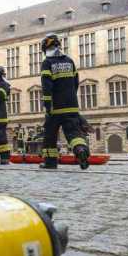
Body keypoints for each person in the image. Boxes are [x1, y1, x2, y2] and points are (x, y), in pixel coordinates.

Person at [40, 33, 90, 170]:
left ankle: (50, 162)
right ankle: (80, 150)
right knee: (74, 133)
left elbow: (47, 87)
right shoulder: (69, 61)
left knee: (50, 134)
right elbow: (75, 83)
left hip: (56, 107)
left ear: (46, 48)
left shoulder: (47, 63)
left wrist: (48, 106)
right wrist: (71, 97)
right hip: (72, 105)